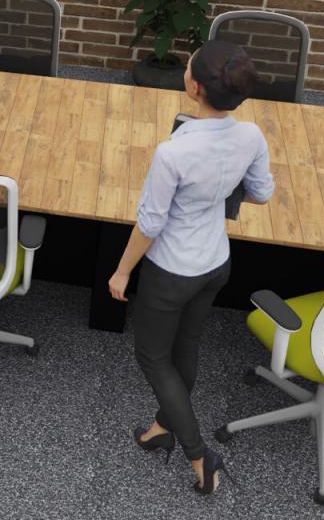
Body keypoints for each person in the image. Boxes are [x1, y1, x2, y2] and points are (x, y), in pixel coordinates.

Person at [107, 40, 275, 496]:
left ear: (194, 86)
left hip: (172, 271)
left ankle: (200, 454)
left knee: (152, 357)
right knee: (187, 346)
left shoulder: (172, 153)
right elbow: (261, 194)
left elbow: (150, 224)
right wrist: (220, 184)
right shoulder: (251, 136)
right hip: (215, 262)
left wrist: (122, 272)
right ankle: (162, 425)